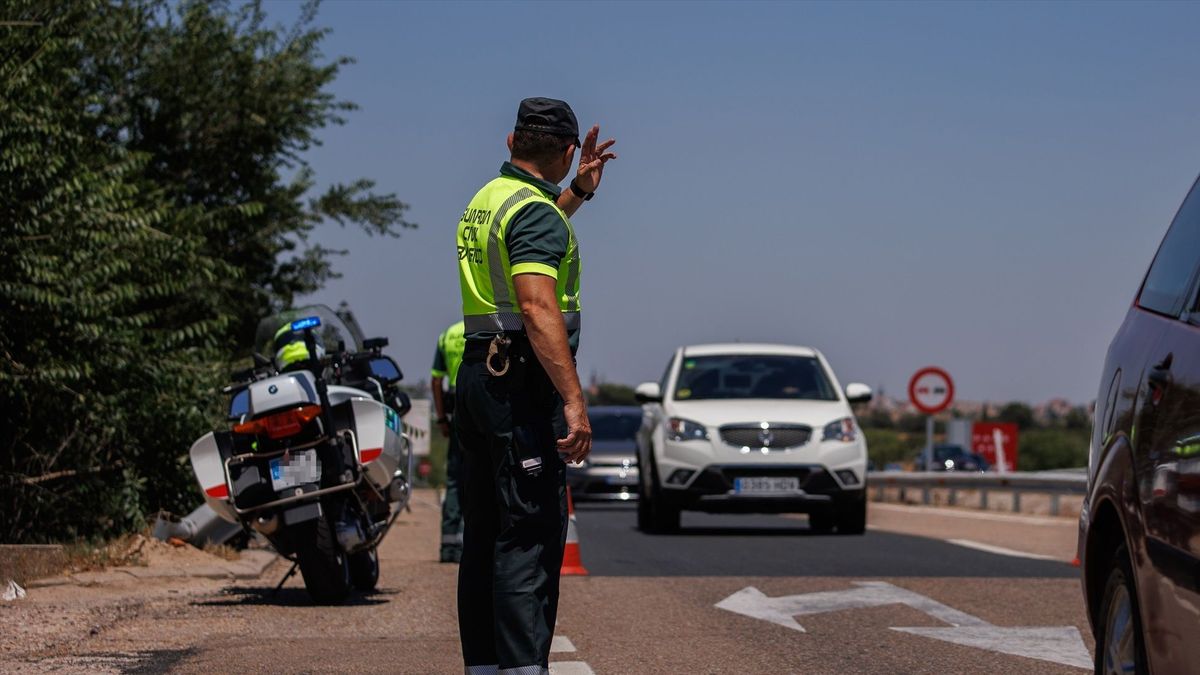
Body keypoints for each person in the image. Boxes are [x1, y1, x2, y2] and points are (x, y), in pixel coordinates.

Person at [454, 97, 615, 675]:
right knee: (528, 540)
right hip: (520, 386)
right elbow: (536, 303)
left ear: (510, 143)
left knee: (485, 537)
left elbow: (533, 234)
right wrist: (574, 399)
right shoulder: (534, 214)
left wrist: (580, 191)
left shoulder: (491, 199)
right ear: (568, 149)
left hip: (478, 376)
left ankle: (485, 667)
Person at [431, 319, 467, 563]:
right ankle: (472, 543)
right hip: (479, 403)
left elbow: (436, 381)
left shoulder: (447, 335)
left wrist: (441, 418)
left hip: (455, 409)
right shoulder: (488, 328)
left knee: (454, 479)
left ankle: (448, 547)